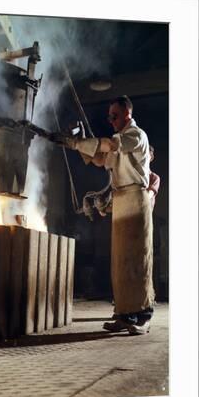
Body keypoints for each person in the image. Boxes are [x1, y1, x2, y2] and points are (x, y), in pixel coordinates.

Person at [52, 95, 154, 335]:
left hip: (136, 198)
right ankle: (124, 314)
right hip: (120, 198)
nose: (111, 120)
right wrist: (73, 144)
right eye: (109, 116)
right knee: (120, 261)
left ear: (127, 114)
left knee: (138, 259)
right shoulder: (120, 138)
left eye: (114, 116)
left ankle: (143, 315)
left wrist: (79, 143)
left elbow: (109, 145)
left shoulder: (135, 135)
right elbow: (100, 159)